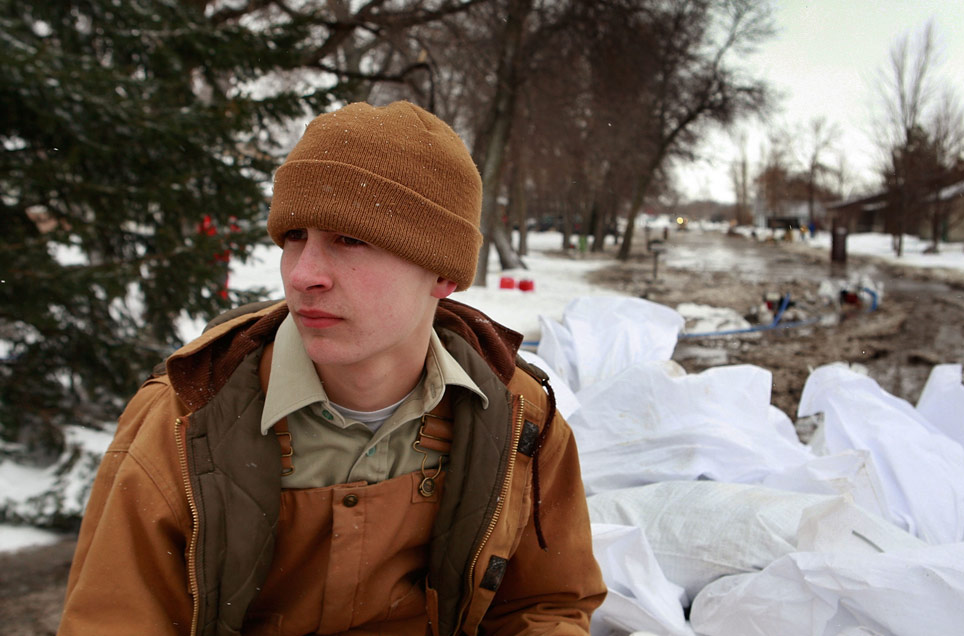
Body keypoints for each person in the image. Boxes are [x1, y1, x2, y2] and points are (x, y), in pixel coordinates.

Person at [58, 101, 606, 635]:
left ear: (442, 274)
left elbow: (547, 603)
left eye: (350, 240)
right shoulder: (185, 419)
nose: (304, 275)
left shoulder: (519, 419)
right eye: (294, 237)